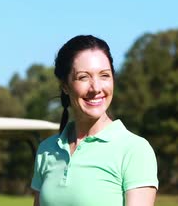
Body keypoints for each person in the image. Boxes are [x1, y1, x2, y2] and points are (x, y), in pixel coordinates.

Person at [31, 35, 158, 206]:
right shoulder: (46, 150)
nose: (96, 88)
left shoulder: (134, 150)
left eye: (104, 75)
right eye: (84, 77)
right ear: (65, 86)